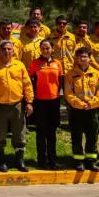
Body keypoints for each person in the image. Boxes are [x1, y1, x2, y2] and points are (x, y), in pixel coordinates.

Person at [0, 40, 33, 173]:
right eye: (4, 49)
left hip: (17, 105)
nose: (7, 51)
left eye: (9, 49)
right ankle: (1, 160)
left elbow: (27, 85)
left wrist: (29, 102)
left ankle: (20, 160)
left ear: (13, 51)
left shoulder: (20, 65)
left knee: (19, 134)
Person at [65, 47, 99, 172]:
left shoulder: (96, 74)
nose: (83, 58)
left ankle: (91, 161)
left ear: (89, 58)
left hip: (92, 111)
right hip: (76, 111)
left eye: (85, 56)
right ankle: (78, 161)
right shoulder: (70, 74)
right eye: (80, 56)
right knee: (76, 137)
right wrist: (81, 104)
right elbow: (68, 93)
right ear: (76, 58)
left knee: (92, 137)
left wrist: (91, 104)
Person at [28, 39, 63, 170]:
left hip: (54, 101)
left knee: (52, 132)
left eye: (48, 48)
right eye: (43, 48)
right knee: (41, 132)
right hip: (40, 101)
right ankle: (42, 160)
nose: (45, 50)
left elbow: (60, 81)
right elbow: (30, 82)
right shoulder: (35, 63)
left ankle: (52, 159)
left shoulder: (57, 64)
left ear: (52, 49)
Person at [50, 16, 76, 89]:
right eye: (59, 23)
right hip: (55, 70)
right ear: (56, 24)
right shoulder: (50, 37)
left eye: (64, 23)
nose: (62, 25)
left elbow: (74, 53)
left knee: (70, 93)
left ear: (67, 25)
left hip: (69, 70)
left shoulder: (72, 37)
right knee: (54, 92)